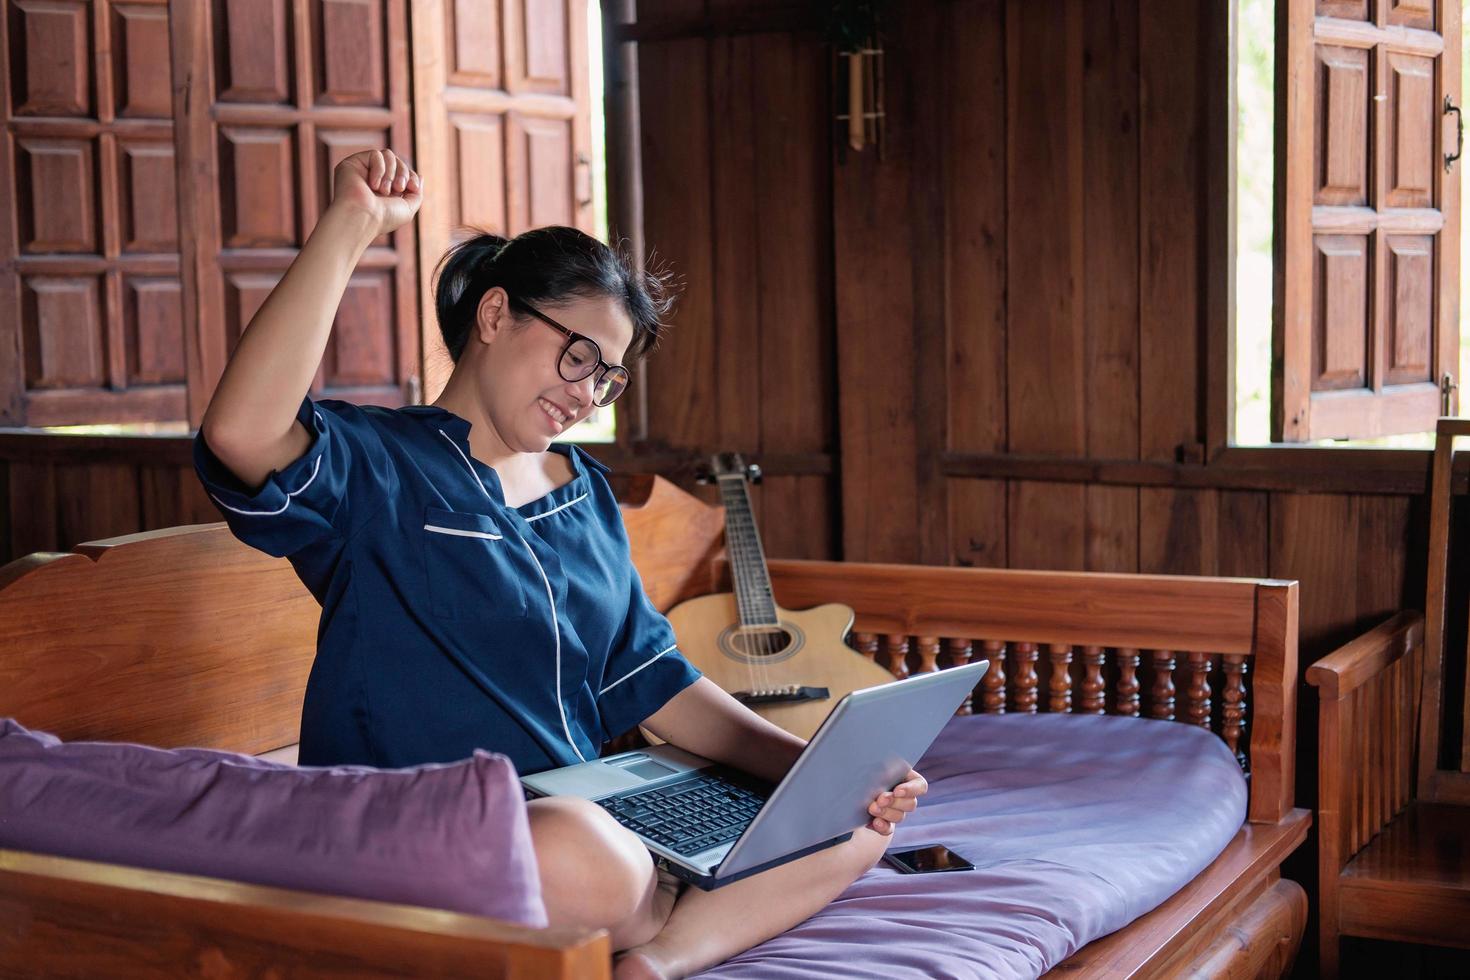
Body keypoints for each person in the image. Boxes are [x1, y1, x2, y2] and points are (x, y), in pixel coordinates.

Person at [195, 148, 927, 978]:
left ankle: (655, 959)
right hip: (422, 828)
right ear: (497, 314)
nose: (588, 394)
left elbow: (657, 682)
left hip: (588, 816)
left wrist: (813, 775)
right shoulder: (377, 466)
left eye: (608, 378)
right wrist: (351, 225)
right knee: (588, 853)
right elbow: (242, 432)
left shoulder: (583, 492)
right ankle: (657, 901)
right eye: (579, 357)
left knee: (856, 826)